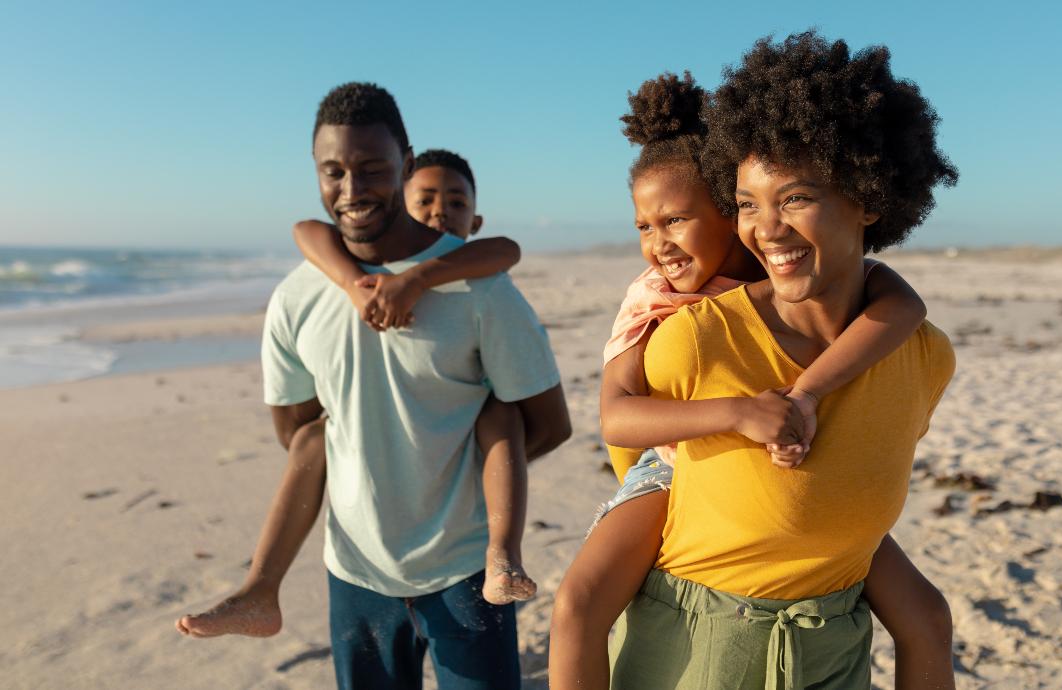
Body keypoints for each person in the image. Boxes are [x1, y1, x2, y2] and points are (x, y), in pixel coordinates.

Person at [602, 34, 958, 690]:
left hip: (835, 657)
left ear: (870, 194)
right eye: (746, 204)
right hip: (694, 659)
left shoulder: (923, 356)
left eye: (795, 197)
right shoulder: (691, 340)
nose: (766, 228)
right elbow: (630, 449)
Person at [203, 82, 569, 689]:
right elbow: (298, 433)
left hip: (466, 569)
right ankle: (256, 588)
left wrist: (444, 479)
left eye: (372, 169)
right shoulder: (298, 295)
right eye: (333, 172)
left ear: (403, 163)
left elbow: (550, 424)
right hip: (354, 572)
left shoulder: (482, 288)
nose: (351, 190)